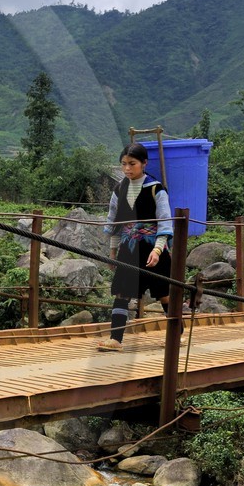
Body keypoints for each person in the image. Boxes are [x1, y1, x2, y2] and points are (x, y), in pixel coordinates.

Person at [98, 143, 173, 351]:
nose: (127, 168)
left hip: (153, 248)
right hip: (129, 248)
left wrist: (157, 250)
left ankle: (177, 334)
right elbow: (116, 223)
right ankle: (116, 339)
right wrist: (113, 252)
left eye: (132, 164)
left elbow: (165, 222)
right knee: (122, 292)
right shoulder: (119, 189)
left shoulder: (156, 189)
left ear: (144, 163)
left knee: (164, 293)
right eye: (123, 164)